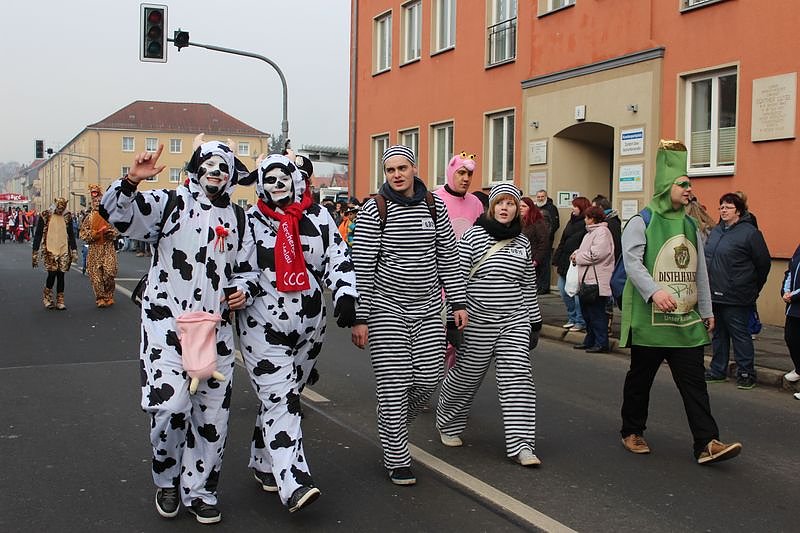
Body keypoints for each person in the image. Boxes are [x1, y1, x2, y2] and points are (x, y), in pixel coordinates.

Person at [101, 140, 257, 524]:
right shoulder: (169, 203)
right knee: (170, 407)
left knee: (212, 418)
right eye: (209, 164)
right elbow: (117, 215)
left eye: (223, 167)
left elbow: (248, 269)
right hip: (166, 324)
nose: (216, 172)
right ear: (195, 168)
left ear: (232, 176)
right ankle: (167, 478)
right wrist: (131, 181)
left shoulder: (239, 219)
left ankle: (200, 490)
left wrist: (243, 289)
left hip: (215, 331)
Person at [236, 154, 358, 513]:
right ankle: (294, 482)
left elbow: (337, 256)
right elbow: (234, 266)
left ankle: (263, 461)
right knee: (282, 399)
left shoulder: (318, 217)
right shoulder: (250, 222)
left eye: (284, 178)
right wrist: (240, 289)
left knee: (287, 395)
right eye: (270, 179)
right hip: (262, 324)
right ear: (261, 185)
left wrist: (345, 293)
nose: (278, 185)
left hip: (309, 326)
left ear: (296, 181)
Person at [618, 140, 742, 465]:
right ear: (665, 186)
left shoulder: (690, 225)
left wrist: (707, 310)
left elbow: (699, 271)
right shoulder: (642, 221)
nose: (689, 189)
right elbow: (632, 263)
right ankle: (632, 430)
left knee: (694, 383)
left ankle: (706, 442)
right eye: (683, 184)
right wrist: (655, 292)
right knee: (640, 379)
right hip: (650, 321)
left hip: (685, 321)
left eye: (690, 183)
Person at [351, 144, 467, 486]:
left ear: (414, 168)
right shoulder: (375, 209)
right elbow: (363, 268)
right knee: (394, 384)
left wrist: (458, 302)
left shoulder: (433, 206)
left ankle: (392, 420)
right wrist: (361, 318)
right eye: (390, 170)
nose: (397, 175)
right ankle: (397, 459)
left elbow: (448, 256)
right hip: (386, 309)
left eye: (402, 168)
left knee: (428, 379)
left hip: (429, 308)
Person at [436, 183, 543, 466]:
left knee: (518, 380)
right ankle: (448, 422)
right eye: (500, 203)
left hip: (514, 320)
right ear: (492, 207)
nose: (505, 208)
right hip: (476, 320)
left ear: (517, 209)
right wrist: (453, 319)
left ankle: (522, 446)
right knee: (467, 375)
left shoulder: (522, 242)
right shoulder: (473, 236)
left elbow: (527, 284)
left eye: (511, 203)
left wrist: (534, 321)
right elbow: (456, 278)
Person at [703, 192, 771, 389]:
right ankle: (717, 370)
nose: (723, 210)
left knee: (740, 335)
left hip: (737, 295)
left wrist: (752, 287)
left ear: (738, 211)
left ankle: (746, 373)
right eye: (721, 207)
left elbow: (763, 264)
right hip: (715, 293)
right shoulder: (717, 231)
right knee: (718, 335)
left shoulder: (750, 233)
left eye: (728, 207)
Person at [433, 151, 486, 370]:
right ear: (451, 172)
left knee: (461, 343)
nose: (465, 179)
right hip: (438, 283)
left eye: (469, 174)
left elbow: (483, 239)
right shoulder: (434, 200)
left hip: (467, 282)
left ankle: (450, 385)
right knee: (438, 342)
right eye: (461, 173)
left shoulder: (476, 203)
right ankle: (422, 383)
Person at [571, 205, 614, 353]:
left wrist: (578, 257)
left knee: (597, 313)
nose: (584, 219)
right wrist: (576, 253)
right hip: (587, 279)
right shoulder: (590, 233)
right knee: (588, 314)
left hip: (596, 280)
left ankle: (601, 342)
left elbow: (597, 254)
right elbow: (585, 250)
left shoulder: (602, 232)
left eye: (586, 217)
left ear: (593, 218)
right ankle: (590, 340)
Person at [32, 197, 77, 310]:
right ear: (55, 205)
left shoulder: (67, 216)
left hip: (63, 249)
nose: (60, 210)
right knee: (52, 274)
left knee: (61, 275)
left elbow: (71, 234)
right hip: (50, 249)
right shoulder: (45, 215)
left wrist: (74, 249)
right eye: (59, 208)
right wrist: (35, 251)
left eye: (62, 208)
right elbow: (38, 234)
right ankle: (47, 297)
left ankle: (60, 300)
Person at [553, 196, 590, 332]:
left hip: (576, 262)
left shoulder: (586, 224)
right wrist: (557, 257)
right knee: (563, 290)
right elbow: (563, 240)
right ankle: (572, 317)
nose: (572, 208)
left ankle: (580, 320)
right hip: (565, 260)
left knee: (576, 293)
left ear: (581, 207)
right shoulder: (571, 221)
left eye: (575, 206)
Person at [79, 184, 118, 307]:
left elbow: (117, 229)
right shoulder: (89, 218)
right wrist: (94, 234)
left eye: (99, 201)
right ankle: (100, 297)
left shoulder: (109, 215)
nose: (97, 203)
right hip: (94, 248)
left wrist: (111, 233)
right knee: (96, 276)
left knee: (109, 272)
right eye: (95, 201)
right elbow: (83, 234)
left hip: (107, 247)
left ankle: (109, 295)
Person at [781, 242, 800, 398]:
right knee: (791, 337)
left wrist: (794, 295)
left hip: (796, 300)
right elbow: (790, 271)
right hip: (794, 308)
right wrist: (786, 291)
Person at [519, 196, 549, 288]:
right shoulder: (519, 221)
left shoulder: (537, 222)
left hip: (532, 259)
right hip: (521, 257)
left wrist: (536, 260)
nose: (521, 208)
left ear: (530, 208)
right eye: (519, 206)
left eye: (524, 206)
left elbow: (543, 242)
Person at [535, 189, 560, 294]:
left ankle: (544, 287)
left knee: (545, 264)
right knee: (537, 264)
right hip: (536, 241)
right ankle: (538, 286)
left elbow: (555, 225)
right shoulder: (535, 208)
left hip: (546, 241)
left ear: (546, 197)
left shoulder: (551, 208)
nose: (540, 198)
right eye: (538, 197)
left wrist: (546, 237)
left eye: (542, 196)